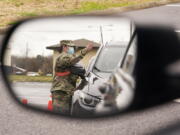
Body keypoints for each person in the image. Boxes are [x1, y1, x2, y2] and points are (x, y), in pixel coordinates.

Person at [50, 40, 93, 115]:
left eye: (73, 47)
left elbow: (75, 66)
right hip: (60, 92)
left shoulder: (69, 57)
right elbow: (72, 60)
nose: (72, 49)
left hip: (68, 91)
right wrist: (85, 50)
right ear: (64, 47)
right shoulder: (63, 57)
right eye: (71, 47)